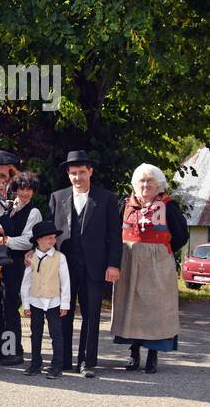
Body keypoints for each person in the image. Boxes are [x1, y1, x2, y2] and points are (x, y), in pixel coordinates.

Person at [48, 150, 122, 378]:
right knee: (64, 313)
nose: (77, 177)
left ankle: (87, 362)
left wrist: (113, 265)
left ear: (90, 171)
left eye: (81, 172)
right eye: (73, 173)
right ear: (68, 175)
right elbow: (49, 234)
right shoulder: (57, 197)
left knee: (91, 314)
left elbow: (114, 235)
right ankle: (64, 360)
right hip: (64, 267)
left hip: (95, 266)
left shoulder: (107, 198)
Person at [110, 163, 188, 374]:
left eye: (150, 181)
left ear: (158, 184)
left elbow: (182, 235)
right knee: (131, 307)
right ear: (136, 184)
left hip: (157, 265)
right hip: (129, 263)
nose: (145, 185)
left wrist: (160, 252)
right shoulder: (125, 204)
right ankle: (133, 353)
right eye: (142, 181)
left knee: (155, 309)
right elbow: (114, 233)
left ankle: (152, 356)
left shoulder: (168, 206)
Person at [0, 171, 43, 365]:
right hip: (3, 263)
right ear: (15, 190)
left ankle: (15, 351)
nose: (25, 193)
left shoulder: (34, 212)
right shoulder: (9, 207)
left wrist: (5, 240)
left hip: (18, 265)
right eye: (22, 189)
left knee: (12, 306)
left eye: (29, 189)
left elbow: (27, 240)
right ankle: (2, 347)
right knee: (1, 305)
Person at [21, 221, 70, 378]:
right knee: (36, 333)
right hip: (36, 301)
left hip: (54, 301)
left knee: (56, 334)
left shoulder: (59, 257)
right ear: (38, 240)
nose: (52, 241)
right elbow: (26, 283)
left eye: (54, 238)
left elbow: (65, 281)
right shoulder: (31, 258)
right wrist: (26, 305)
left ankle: (57, 365)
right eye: (49, 238)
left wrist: (65, 303)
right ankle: (35, 363)